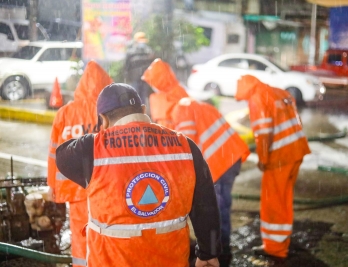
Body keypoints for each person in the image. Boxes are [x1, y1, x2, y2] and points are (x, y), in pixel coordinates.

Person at [55, 83, 221, 267]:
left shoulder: (91, 149)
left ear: (102, 119)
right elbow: (206, 205)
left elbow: (62, 154)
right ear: (143, 109)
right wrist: (208, 252)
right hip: (169, 260)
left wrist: (102, 131)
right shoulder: (186, 146)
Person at [142, 59, 250, 267]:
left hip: (221, 162)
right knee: (219, 207)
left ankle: (220, 253)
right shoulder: (186, 101)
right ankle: (218, 249)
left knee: (217, 209)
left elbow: (185, 149)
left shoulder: (181, 108)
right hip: (228, 157)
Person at [235, 75, 311, 261]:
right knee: (284, 198)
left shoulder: (257, 98)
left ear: (246, 90)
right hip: (297, 150)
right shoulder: (279, 92)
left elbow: (263, 132)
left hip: (280, 157)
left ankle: (275, 248)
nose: (246, 101)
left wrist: (263, 159)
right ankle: (282, 241)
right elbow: (295, 119)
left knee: (273, 202)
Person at [47, 61, 113, 267]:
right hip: (105, 188)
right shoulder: (109, 113)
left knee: (80, 234)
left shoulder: (65, 113)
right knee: (107, 233)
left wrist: (52, 185)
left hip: (75, 188)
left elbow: (53, 153)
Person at [123, 31, 155, 107]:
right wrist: (127, 76)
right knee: (135, 95)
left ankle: (141, 113)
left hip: (145, 78)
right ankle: (136, 112)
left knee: (143, 96)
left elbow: (152, 64)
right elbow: (126, 66)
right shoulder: (131, 52)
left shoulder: (148, 51)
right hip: (135, 78)